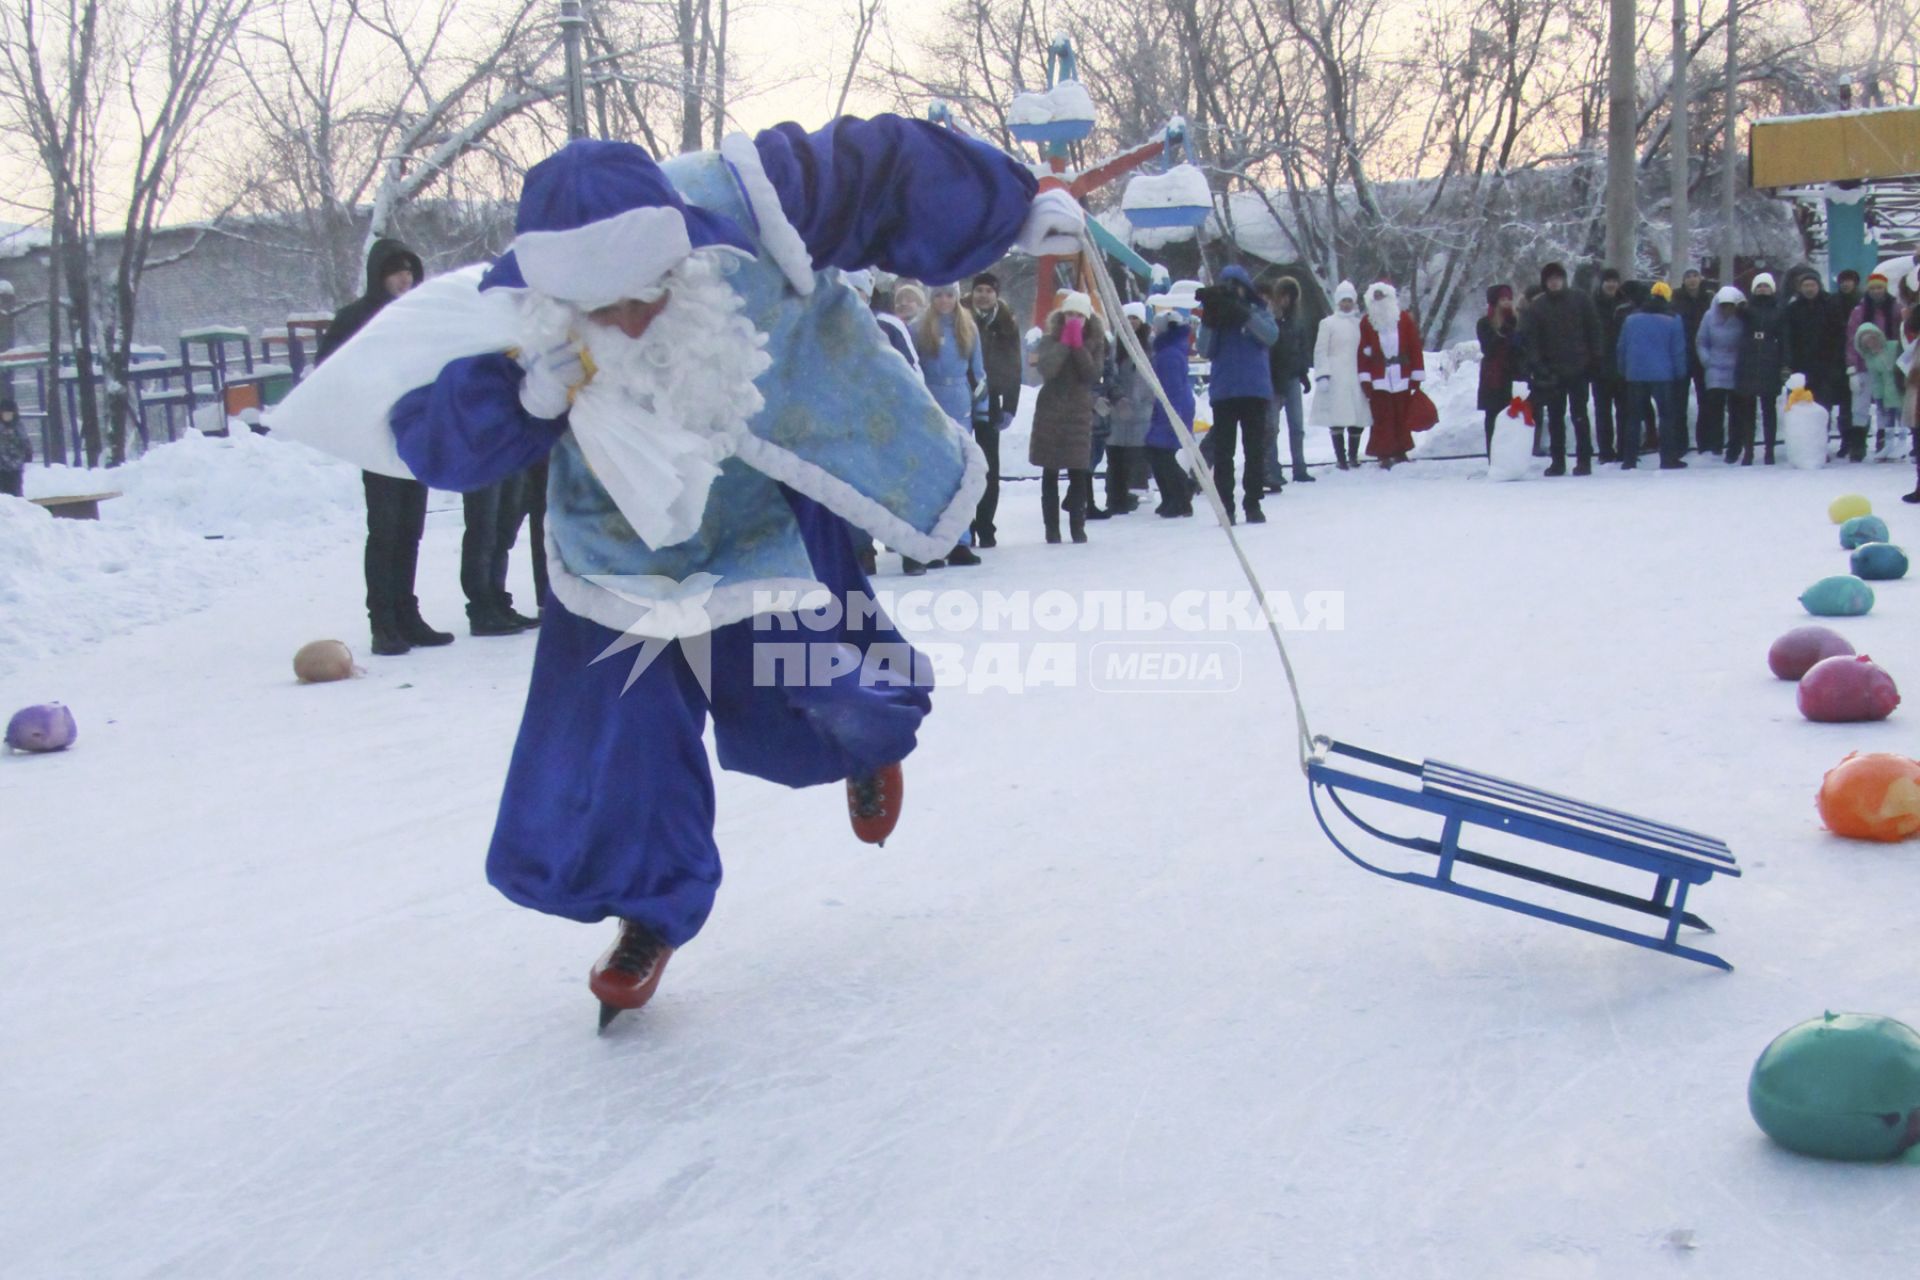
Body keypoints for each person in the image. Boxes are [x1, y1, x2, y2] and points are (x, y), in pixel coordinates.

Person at [270, 116, 1071, 1027]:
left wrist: (1009, 207)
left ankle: (865, 743)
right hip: (617, 549)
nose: (636, 320)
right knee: (617, 735)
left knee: (810, 687)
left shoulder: (752, 197)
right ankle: (649, 910)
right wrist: (526, 399)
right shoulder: (514, 320)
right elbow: (433, 442)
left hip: (761, 507)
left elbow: (881, 167)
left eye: (651, 290)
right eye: (606, 309)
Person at [318, 238, 452, 656]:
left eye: (410, 270)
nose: (405, 278)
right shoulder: (356, 318)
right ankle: (383, 622)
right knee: (385, 529)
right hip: (376, 436)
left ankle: (407, 614)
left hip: (413, 435)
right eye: (396, 271)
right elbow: (328, 371)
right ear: (379, 275)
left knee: (411, 529)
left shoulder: (421, 315)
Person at [1195, 265, 1277, 522]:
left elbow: (1271, 336)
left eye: (1237, 286)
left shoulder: (1258, 311)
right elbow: (1205, 349)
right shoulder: (1217, 317)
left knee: (1253, 451)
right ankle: (1226, 507)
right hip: (1225, 392)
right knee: (1224, 453)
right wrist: (1210, 318)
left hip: (1254, 391)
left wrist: (1244, 315)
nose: (1233, 292)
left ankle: (1253, 503)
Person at [914, 282, 986, 566]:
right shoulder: (919, 328)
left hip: (959, 401)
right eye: (939, 295)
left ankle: (961, 539)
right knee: (930, 472)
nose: (944, 300)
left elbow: (978, 373)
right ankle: (930, 540)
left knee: (959, 473)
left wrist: (982, 409)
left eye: (949, 295)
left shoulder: (968, 327)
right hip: (930, 400)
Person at [1030, 293, 1105, 544]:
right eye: (1070, 314)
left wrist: (1079, 347)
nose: (1074, 319)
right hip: (1051, 409)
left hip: (1078, 411)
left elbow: (1092, 374)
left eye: (1080, 315)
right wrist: (1063, 344)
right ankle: (1051, 528)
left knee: (1078, 472)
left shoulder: (1096, 342)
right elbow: (1047, 370)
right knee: (1049, 472)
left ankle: (1077, 526)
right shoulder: (1049, 339)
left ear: (1087, 319)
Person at [1520, 261, 1603, 475]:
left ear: (1564, 279)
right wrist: (1539, 367)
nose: (1554, 282)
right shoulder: (1538, 307)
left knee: (1580, 415)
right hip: (1552, 373)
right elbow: (1532, 341)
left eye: (1558, 278)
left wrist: (1594, 359)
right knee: (1555, 418)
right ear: (1545, 283)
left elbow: (1594, 330)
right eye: (1550, 279)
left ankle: (1584, 460)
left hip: (1579, 369)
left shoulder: (1580, 300)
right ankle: (1558, 461)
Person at [1355, 280, 1437, 467]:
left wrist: (1416, 375)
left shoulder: (1404, 320)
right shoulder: (1367, 323)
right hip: (1379, 377)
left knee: (1400, 414)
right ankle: (1383, 452)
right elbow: (1362, 352)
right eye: (1376, 298)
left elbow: (1414, 347)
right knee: (1382, 415)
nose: (1380, 301)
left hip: (1402, 375)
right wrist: (1365, 378)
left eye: (1382, 296)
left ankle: (1400, 449)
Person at [968, 272, 1022, 547]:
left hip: (993, 400)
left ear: (996, 294)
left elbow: (1014, 364)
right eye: (979, 290)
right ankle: (965, 526)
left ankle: (986, 524)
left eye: (989, 291)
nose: (984, 295)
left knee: (989, 467)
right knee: (964, 466)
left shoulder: (1006, 321)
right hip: (962, 399)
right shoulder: (961, 315)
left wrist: (1010, 405)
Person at [1616, 281, 1690, 468]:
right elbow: (1678, 350)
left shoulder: (1631, 318)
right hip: (1663, 376)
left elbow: (1622, 348)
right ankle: (1668, 458)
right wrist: (1680, 373)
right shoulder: (1673, 319)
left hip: (1635, 374)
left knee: (1633, 418)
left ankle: (1629, 459)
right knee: (1666, 416)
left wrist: (1624, 370)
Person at [1784, 272, 1847, 461]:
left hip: (1826, 366)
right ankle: (1802, 447)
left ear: (1818, 286)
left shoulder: (1830, 305)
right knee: (1800, 408)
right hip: (1800, 368)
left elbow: (1839, 335)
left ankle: (1821, 447)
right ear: (1800, 288)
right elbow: (1788, 338)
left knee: (1822, 409)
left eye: (1812, 285)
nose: (1809, 289)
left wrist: (1835, 362)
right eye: (1805, 286)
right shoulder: (1793, 309)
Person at [1308, 281, 1369, 468]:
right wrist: (1323, 374)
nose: (1346, 304)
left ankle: (1353, 455)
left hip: (1356, 374)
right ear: (1337, 302)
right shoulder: (1327, 323)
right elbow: (1320, 351)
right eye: (1343, 300)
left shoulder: (1359, 324)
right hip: (1336, 375)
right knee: (1338, 417)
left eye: (1349, 300)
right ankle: (1340, 457)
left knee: (1357, 417)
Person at [1101, 301, 1154, 515]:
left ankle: (1131, 492)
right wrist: (1118, 397)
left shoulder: (1150, 347)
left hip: (1141, 410)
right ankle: (1114, 496)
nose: (1131, 323)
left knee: (1135, 454)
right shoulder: (1114, 346)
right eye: (1128, 318)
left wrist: (1142, 400)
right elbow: (1109, 374)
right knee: (1115, 454)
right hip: (1118, 408)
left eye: (1135, 318)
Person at [1729, 272, 1787, 465]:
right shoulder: (1746, 309)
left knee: (1769, 407)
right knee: (1747, 408)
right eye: (1759, 286)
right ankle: (1748, 450)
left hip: (1770, 358)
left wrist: (1784, 363)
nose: (1763, 289)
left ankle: (1769, 449)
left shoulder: (1779, 309)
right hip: (1748, 358)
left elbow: (1784, 337)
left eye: (1766, 286)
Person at [1144, 305, 1197, 516]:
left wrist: (1170, 415)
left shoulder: (1169, 355)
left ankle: (1180, 496)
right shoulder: (1171, 350)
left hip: (1173, 409)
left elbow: (1172, 388)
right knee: (1157, 452)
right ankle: (1172, 495)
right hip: (1170, 407)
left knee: (1163, 454)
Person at [1847, 271, 1905, 457]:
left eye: (1879, 287)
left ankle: (1887, 439)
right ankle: (1858, 444)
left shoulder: (1896, 308)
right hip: (1865, 364)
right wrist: (1852, 367)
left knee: (1888, 403)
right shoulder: (1860, 311)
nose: (1876, 291)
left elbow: (1902, 334)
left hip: (1889, 363)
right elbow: (1851, 340)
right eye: (1873, 287)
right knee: (1860, 405)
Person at [1264, 276, 1315, 484]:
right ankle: (1273, 469)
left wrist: (1304, 374)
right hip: (1274, 378)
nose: (1286, 300)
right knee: (1272, 427)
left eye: (1290, 297)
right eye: (1283, 296)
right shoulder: (1270, 320)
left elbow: (1302, 350)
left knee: (1297, 426)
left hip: (1293, 377)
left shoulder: (1296, 322)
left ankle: (1299, 467)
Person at [1695, 284, 1746, 461]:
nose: (1726, 309)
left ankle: (1734, 447)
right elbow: (1701, 341)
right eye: (1723, 305)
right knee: (1714, 408)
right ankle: (1715, 445)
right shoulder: (1709, 317)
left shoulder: (1743, 318)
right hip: (1715, 367)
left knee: (1736, 410)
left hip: (1737, 368)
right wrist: (1707, 360)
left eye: (1730, 305)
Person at [1476, 285, 1523, 456]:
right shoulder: (1485, 323)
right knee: (1493, 415)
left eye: (1509, 299)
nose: (1507, 303)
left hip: (1513, 375)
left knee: (1513, 416)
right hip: (1493, 376)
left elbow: (1520, 347)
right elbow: (1488, 348)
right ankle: (1493, 454)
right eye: (1503, 300)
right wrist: (1504, 330)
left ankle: (1511, 454)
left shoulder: (1516, 320)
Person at [1591, 268, 1631, 461]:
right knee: (1602, 412)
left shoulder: (1626, 304)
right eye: (1608, 281)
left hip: (1622, 364)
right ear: (1602, 283)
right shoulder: (1592, 304)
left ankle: (1624, 449)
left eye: (1614, 281)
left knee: (1624, 410)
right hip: (1599, 365)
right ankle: (1605, 451)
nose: (1611, 284)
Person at [1674, 268, 1714, 449]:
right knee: (1679, 401)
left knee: (1705, 400)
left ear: (1700, 279)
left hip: (1703, 354)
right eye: (1688, 277)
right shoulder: (1675, 298)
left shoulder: (1709, 298)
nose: (1691, 280)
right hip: (1682, 354)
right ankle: (1680, 442)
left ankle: (1705, 441)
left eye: (1694, 276)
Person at [1833, 269, 1863, 456]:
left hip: (1859, 356)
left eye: (1849, 280)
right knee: (1844, 403)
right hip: (1837, 358)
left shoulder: (1862, 302)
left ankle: (1858, 442)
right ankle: (1846, 440)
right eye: (1843, 280)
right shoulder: (1833, 302)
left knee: (1858, 403)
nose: (1846, 284)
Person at [0, 397, 29, 497]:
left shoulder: (18, 426)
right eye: (4, 413)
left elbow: (25, 441)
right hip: (1, 467)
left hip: (16, 466)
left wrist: (27, 453)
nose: (7, 416)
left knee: (16, 494)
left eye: (9, 413)